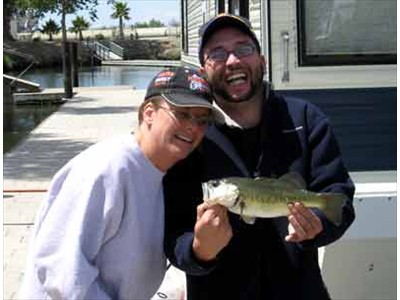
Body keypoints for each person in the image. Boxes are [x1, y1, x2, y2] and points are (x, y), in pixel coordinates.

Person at [163, 14, 355, 299]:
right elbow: (172, 232)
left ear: (262, 62)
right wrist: (198, 249)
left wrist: (318, 225)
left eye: (244, 49)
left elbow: (339, 200)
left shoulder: (305, 119)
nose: (233, 61)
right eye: (217, 53)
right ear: (204, 70)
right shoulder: (192, 135)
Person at [19, 66, 220, 299]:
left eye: (202, 120)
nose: (193, 127)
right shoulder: (106, 168)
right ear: (149, 113)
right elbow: (61, 271)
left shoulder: (162, 172)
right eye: (182, 113)